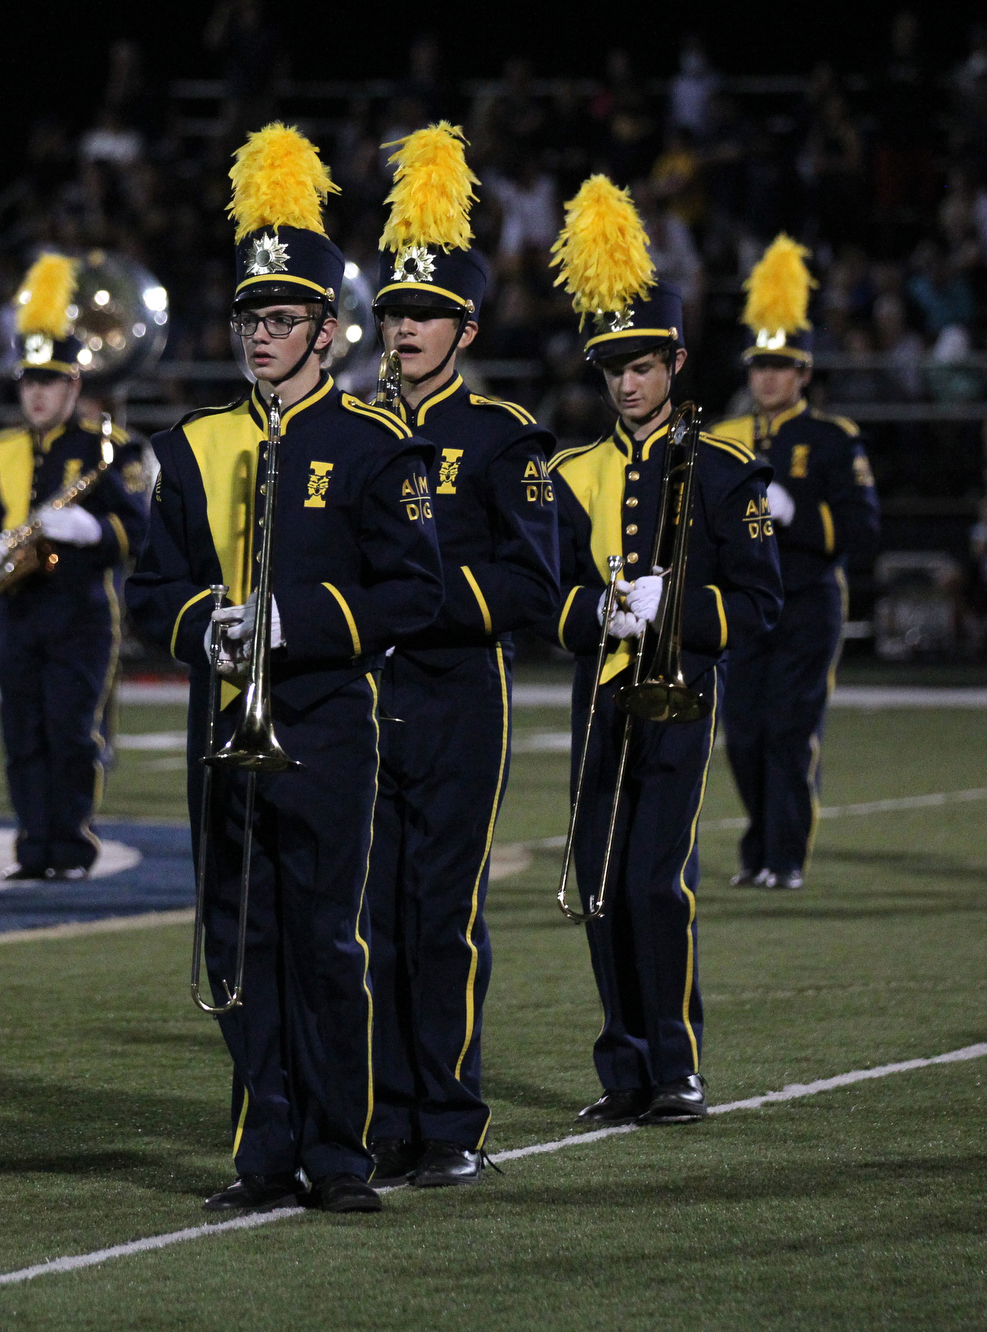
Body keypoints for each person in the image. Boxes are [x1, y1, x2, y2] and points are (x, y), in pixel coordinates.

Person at [127, 124, 442, 1214]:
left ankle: (339, 1155)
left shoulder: (372, 444)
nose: (259, 338)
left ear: (325, 330)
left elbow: (413, 592)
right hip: (223, 725)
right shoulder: (190, 447)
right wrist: (206, 630)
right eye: (248, 320)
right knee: (240, 944)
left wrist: (290, 623)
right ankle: (262, 1154)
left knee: (325, 943)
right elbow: (150, 591)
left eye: (279, 320)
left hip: (325, 718)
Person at [547, 176, 781, 1128]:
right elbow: (545, 597)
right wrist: (599, 616)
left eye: (643, 366)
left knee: (654, 881)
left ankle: (676, 1068)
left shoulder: (723, 470)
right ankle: (625, 1069)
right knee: (601, 884)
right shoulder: (570, 475)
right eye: (614, 368)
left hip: (680, 696)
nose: (627, 384)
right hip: (601, 695)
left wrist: (673, 611)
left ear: (676, 362)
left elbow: (760, 604)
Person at [362, 125, 561, 1187]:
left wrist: (417, 601)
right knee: (375, 918)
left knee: (441, 916)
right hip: (364, 696)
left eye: (426, 313)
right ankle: (387, 1117)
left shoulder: (500, 435)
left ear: (466, 328)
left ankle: (449, 1122)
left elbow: (530, 586)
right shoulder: (352, 431)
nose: (405, 328)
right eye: (395, 311)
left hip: (454, 695)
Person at [0, 254, 146, 879]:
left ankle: (69, 847)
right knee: (22, 735)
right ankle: (32, 848)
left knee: (70, 734)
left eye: (49, 382)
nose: (37, 394)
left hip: (81, 612)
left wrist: (93, 530)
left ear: (73, 384)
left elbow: (138, 530)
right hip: (18, 611)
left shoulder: (107, 449)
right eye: (29, 383)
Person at [714, 236, 880, 890]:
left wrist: (795, 513)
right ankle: (758, 848)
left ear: (805, 373)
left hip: (808, 600)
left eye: (781, 367)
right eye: (760, 366)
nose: (768, 378)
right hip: (742, 605)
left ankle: (783, 857)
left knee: (788, 729)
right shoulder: (724, 439)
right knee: (742, 733)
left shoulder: (833, 439)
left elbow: (863, 530)